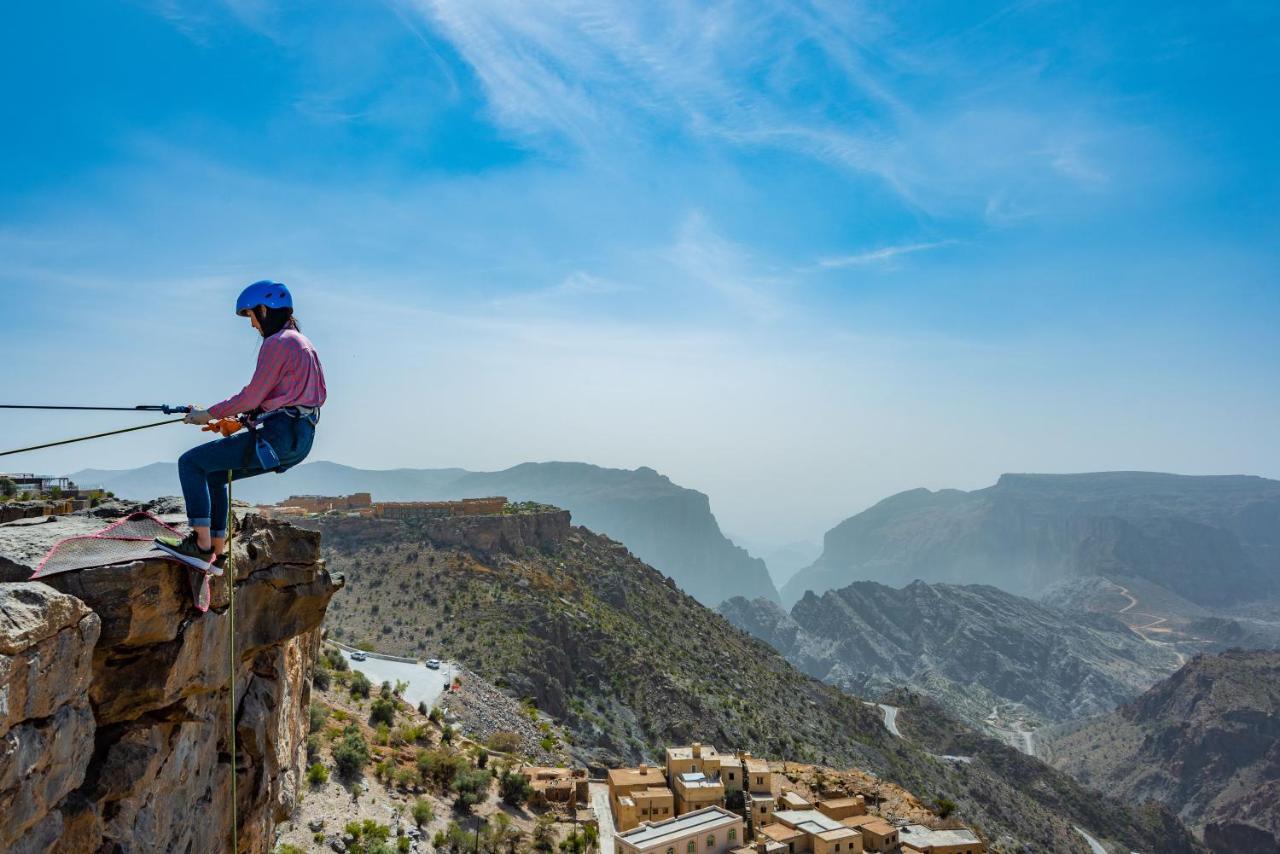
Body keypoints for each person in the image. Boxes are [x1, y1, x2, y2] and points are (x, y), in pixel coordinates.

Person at [155, 280, 326, 573]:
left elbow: (252, 396)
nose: (252, 325)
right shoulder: (302, 343)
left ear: (263, 309)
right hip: (301, 439)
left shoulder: (279, 342)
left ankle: (200, 546)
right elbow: (281, 399)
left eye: (251, 316)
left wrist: (207, 414)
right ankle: (217, 552)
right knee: (216, 475)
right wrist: (237, 422)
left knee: (191, 463)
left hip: (280, 435)